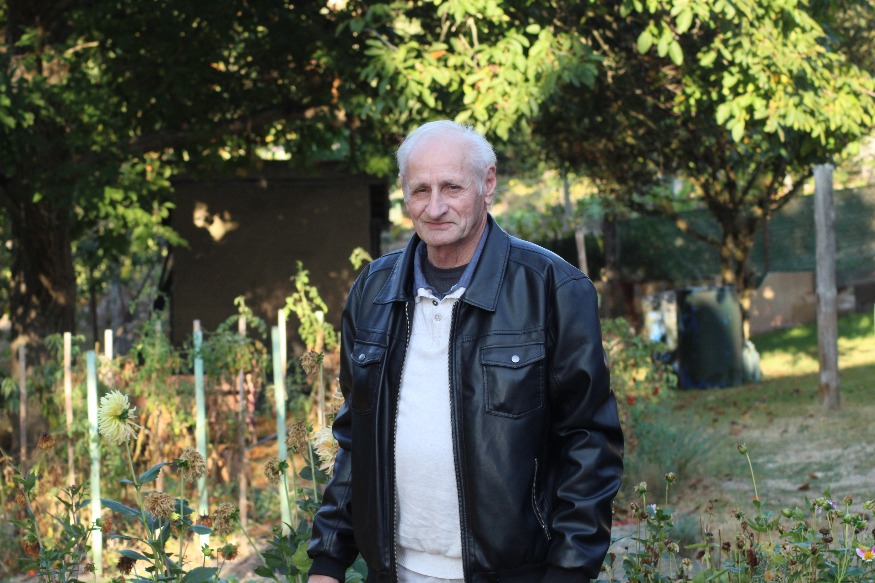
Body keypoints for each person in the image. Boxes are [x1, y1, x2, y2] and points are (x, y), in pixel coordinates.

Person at [307, 120, 624, 583]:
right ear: (404, 193)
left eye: (451, 187)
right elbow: (356, 438)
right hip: (394, 572)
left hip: (516, 574)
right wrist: (328, 559)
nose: (435, 207)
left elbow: (589, 441)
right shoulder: (373, 291)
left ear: (487, 183)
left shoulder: (552, 288)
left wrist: (570, 571)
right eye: (421, 190)